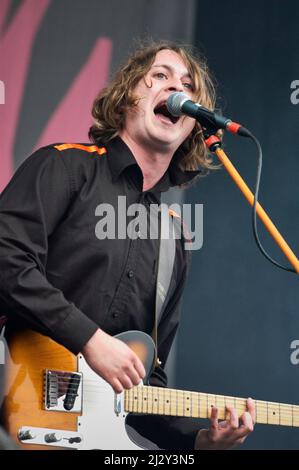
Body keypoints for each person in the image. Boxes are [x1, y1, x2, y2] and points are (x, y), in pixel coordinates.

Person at [0, 41, 255, 450]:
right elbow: (6, 261)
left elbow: (144, 386)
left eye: (189, 86)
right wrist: (90, 339)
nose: (177, 91)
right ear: (125, 98)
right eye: (160, 76)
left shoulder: (174, 240)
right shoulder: (63, 167)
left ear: (194, 125)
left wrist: (202, 442)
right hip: (12, 409)